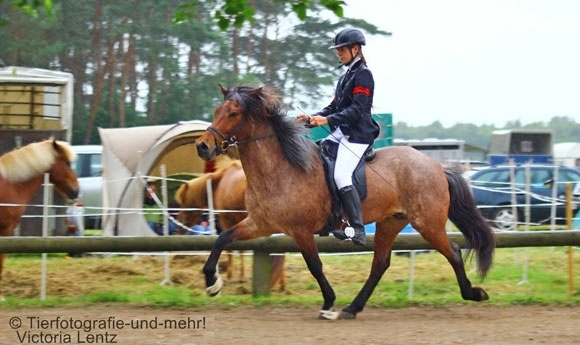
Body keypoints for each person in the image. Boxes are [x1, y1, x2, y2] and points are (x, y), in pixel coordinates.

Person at [297, 28, 379, 246]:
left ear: (355, 49)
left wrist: (327, 121)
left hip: (358, 134)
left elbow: (358, 110)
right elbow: (334, 106)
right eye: (338, 50)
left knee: (342, 176)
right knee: (318, 161)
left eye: (342, 50)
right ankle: (330, 217)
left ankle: (358, 229)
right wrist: (312, 117)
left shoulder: (363, 75)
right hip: (341, 133)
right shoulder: (345, 77)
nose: (339, 54)